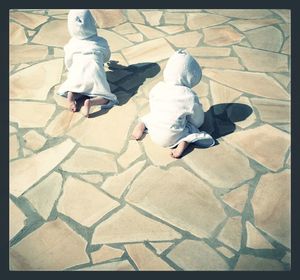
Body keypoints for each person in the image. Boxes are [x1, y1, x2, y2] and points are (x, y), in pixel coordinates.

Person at [132, 49, 215, 158]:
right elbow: (197, 119)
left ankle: (142, 125)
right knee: (190, 129)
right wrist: (195, 123)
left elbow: (153, 106)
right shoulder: (188, 95)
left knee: (152, 116)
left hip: (155, 131)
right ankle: (183, 142)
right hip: (170, 136)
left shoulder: (158, 87)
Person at [57, 9, 118, 117]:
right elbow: (106, 57)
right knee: (106, 98)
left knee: (75, 86)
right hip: (95, 74)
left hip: (76, 75)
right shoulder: (100, 41)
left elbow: (68, 62)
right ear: (91, 22)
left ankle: (71, 95)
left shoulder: (72, 43)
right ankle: (91, 102)